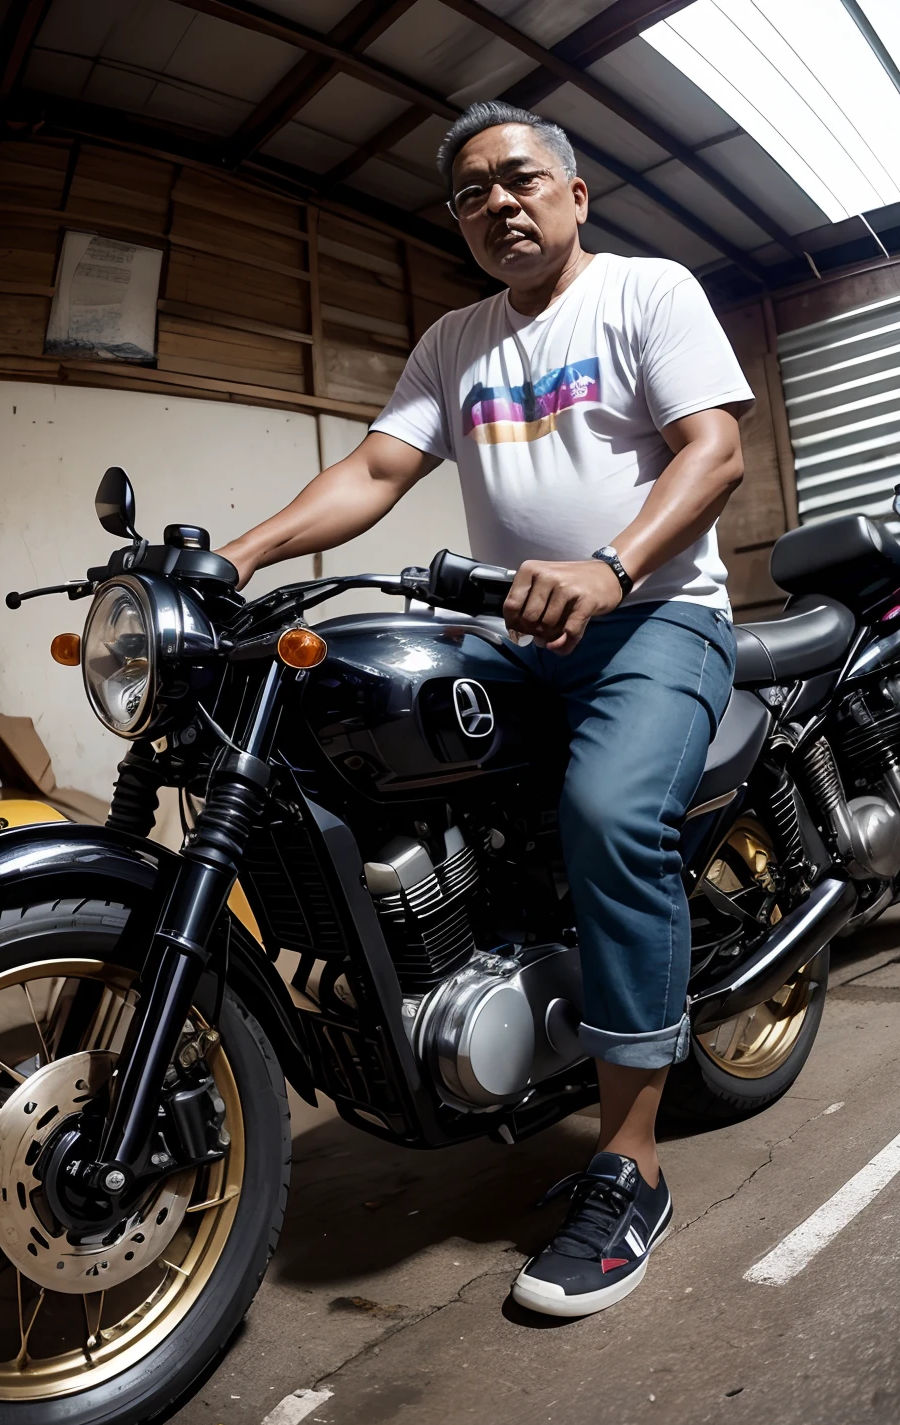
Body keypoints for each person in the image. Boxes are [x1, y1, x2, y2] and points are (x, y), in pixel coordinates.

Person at [218, 100, 752, 1319]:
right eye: (469, 193)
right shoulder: (454, 342)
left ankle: (630, 1163)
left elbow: (711, 449)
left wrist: (613, 567)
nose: (497, 203)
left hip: (654, 621)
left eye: (519, 179)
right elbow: (371, 472)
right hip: (517, 639)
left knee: (610, 816)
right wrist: (235, 558)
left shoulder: (644, 293)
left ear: (574, 193)